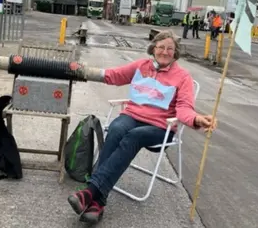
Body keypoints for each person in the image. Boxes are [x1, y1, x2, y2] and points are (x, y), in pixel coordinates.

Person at [66, 30, 218, 224]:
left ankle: (90, 191)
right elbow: (115, 75)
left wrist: (196, 119)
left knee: (134, 136)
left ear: (175, 52)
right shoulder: (142, 66)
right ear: (153, 48)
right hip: (133, 116)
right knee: (116, 129)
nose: (164, 52)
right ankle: (98, 201)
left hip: (160, 128)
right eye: (161, 47)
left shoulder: (182, 77)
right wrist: (83, 71)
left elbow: (184, 109)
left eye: (169, 49)